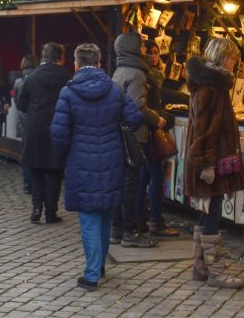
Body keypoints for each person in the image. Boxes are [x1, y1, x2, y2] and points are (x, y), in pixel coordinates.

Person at [51, 43, 141, 292]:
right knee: (105, 214)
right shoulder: (115, 89)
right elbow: (134, 118)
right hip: (112, 160)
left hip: (81, 162)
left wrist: (66, 153)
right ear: (100, 63)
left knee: (89, 217)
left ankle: (91, 275)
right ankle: (99, 265)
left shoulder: (68, 93)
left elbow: (59, 134)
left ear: (76, 64)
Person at [184, 37, 244, 289]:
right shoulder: (211, 89)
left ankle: (200, 267)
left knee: (205, 212)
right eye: (234, 58)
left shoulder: (208, 86)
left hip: (207, 162)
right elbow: (204, 131)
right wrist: (207, 165)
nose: (236, 63)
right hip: (209, 166)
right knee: (211, 213)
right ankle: (215, 272)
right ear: (223, 58)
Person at [110, 32, 164, 248]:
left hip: (121, 133)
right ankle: (130, 232)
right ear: (134, 48)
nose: (145, 50)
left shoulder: (120, 70)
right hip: (134, 134)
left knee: (123, 183)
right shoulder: (137, 74)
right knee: (131, 184)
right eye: (142, 46)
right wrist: (157, 118)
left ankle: (117, 229)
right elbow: (137, 106)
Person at [17, 43, 70, 223]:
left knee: (36, 169)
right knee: (54, 171)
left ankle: (37, 207)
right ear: (60, 58)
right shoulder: (67, 77)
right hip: (58, 127)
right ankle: (51, 212)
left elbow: (21, 104)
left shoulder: (31, 77)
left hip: (35, 128)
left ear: (43, 56)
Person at [138, 40, 179, 238]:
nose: (153, 56)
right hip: (150, 132)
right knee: (155, 176)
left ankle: (141, 216)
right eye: (149, 53)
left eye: (156, 52)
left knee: (145, 175)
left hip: (145, 132)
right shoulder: (148, 79)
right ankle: (155, 220)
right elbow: (151, 107)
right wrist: (165, 119)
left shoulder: (153, 77)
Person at [13, 54, 39, 194]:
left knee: (26, 152)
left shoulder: (18, 81)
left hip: (24, 120)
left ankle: (27, 183)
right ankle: (39, 183)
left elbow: (18, 104)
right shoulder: (39, 79)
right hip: (38, 119)